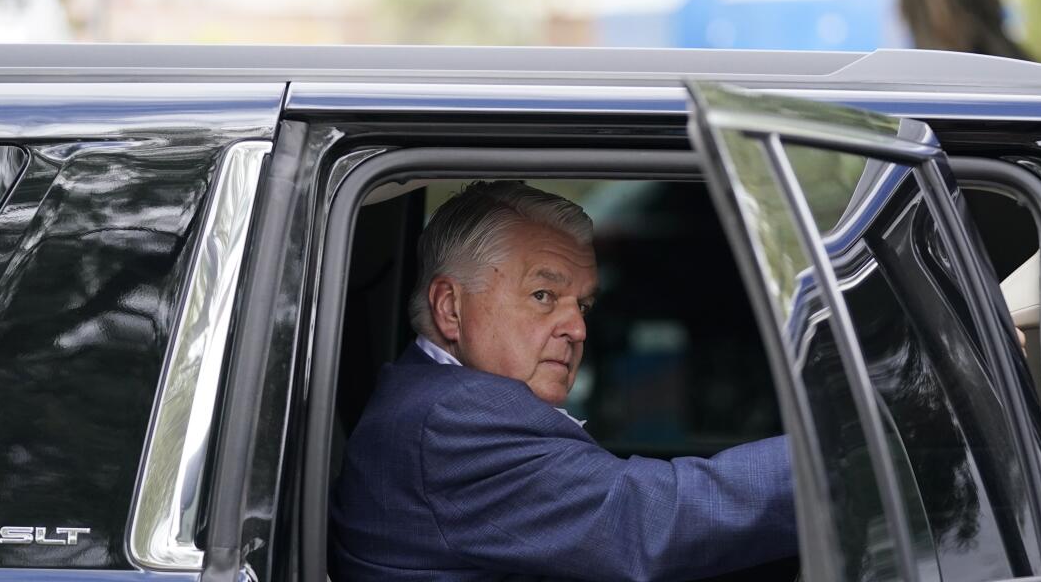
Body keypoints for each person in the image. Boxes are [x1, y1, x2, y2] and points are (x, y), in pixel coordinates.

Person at [330, 181, 797, 581]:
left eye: (583, 306)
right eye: (543, 295)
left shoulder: (427, 394)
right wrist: (835, 454)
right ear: (451, 308)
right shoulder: (455, 420)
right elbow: (643, 521)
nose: (576, 329)